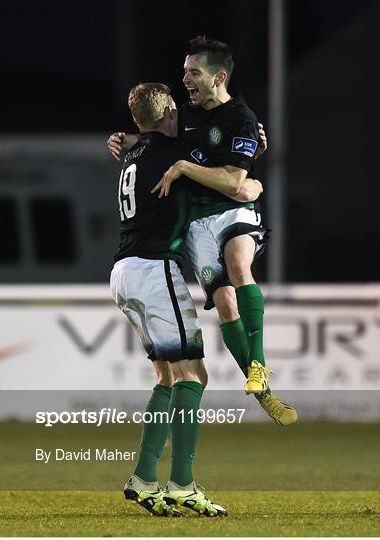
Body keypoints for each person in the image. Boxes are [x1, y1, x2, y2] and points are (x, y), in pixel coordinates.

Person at [108, 36, 297, 427]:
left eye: (194, 72)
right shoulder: (187, 115)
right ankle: (261, 390)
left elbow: (235, 184)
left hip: (233, 212)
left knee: (238, 265)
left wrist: (187, 169)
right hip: (197, 224)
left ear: (219, 77)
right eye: (184, 73)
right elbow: (159, 138)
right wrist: (126, 138)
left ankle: (258, 363)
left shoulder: (241, 118)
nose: (186, 80)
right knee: (225, 304)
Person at [110, 82, 263, 517]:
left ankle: (142, 476)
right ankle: (182, 483)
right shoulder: (169, 156)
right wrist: (252, 172)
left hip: (123, 272)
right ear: (171, 110)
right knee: (193, 376)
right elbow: (230, 184)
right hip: (154, 269)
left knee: (167, 377)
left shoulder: (132, 155)